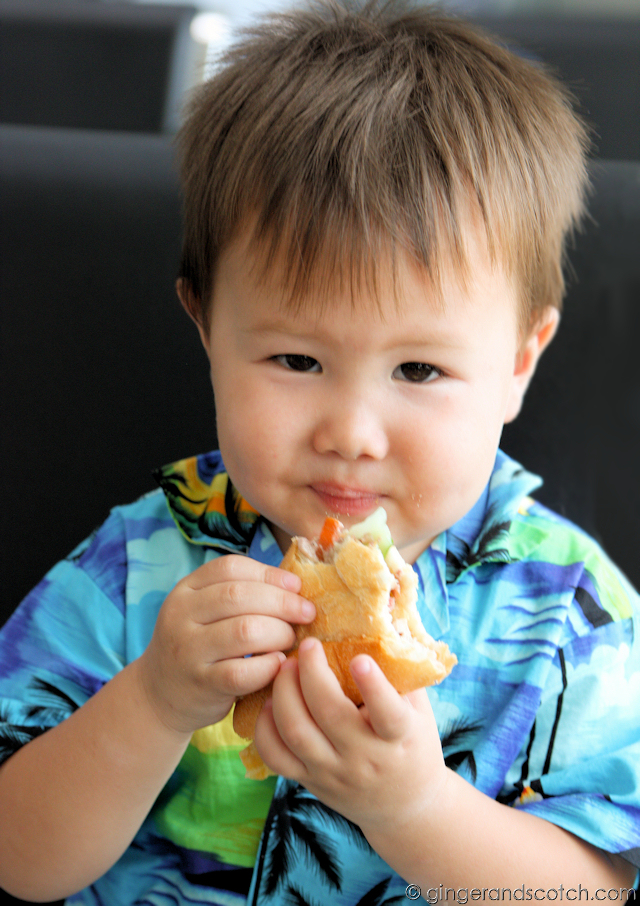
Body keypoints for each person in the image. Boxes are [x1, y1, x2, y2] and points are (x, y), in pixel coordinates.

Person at [0, 1, 638, 903]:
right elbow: (17, 862)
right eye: (297, 360)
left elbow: (597, 891)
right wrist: (150, 705)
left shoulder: (570, 615)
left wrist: (416, 807)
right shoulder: (141, 565)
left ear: (517, 365)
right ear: (208, 330)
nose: (351, 431)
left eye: (419, 368)